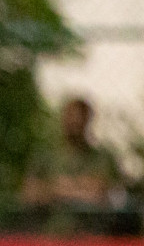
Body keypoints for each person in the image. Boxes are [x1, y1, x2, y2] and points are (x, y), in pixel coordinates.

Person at [21, 97, 119, 234]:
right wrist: (78, 186)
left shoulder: (101, 158)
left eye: (78, 117)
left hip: (88, 238)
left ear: (87, 121)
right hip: (50, 238)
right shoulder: (45, 157)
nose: (73, 122)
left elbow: (97, 194)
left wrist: (55, 188)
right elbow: (30, 194)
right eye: (70, 116)